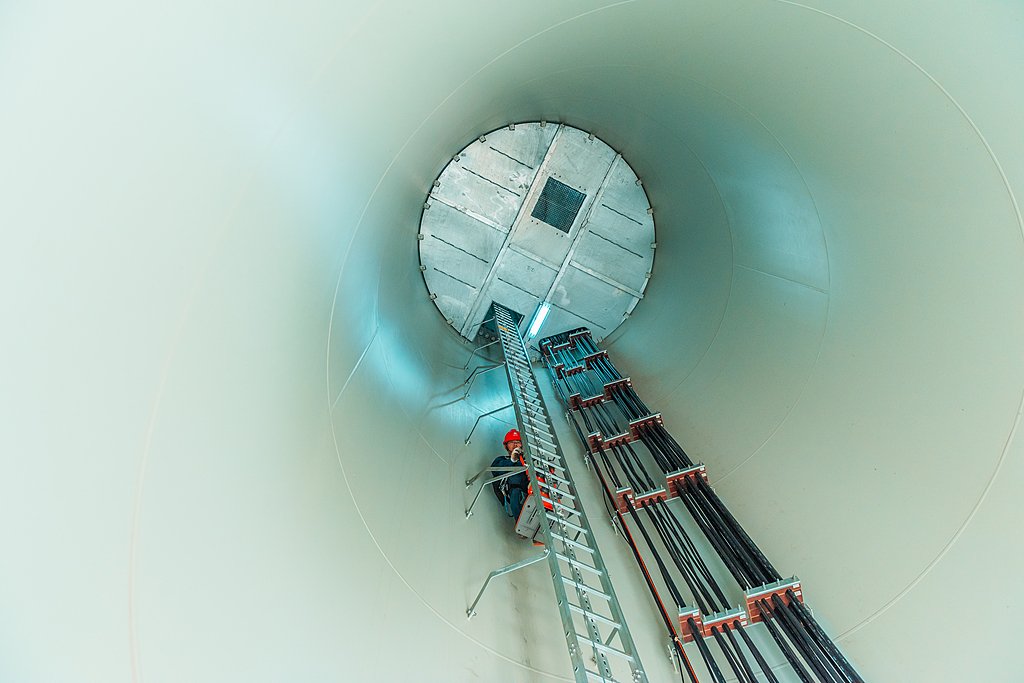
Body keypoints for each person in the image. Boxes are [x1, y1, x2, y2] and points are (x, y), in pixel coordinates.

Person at [491, 429, 529, 521]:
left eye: (518, 442)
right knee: (516, 493)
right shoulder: (502, 459)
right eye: (512, 442)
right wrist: (512, 460)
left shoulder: (528, 460)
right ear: (506, 446)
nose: (515, 445)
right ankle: (520, 523)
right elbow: (496, 470)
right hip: (515, 489)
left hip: (530, 488)